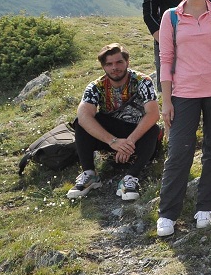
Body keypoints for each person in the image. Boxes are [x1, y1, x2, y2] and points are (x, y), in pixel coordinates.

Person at [155, 0, 211, 236]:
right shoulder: (171, 17)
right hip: (184, 93)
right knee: (179, 152)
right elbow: (166, 59)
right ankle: (167, 213)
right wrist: (166, 101)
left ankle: (205, 207)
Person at [66, 43, 161, 201]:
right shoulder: (96, 87)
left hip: (137, 134)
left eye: (119, 62)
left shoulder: (143, 81)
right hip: (111, 136)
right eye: (109, 64)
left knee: (153, 129)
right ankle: (89, 174)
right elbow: (84, 116)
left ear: (127, 62)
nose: (114, 67)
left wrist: (128, 143)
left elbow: (153, 114)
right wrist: (113, 141)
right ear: (103, 66)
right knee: (81, 122)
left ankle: (130, 178)